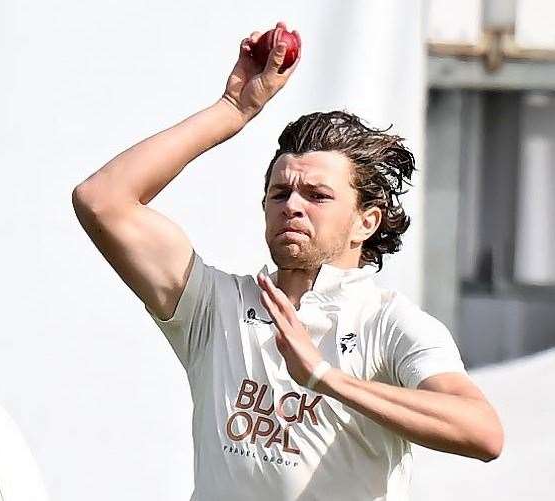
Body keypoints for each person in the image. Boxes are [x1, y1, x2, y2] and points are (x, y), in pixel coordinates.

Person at [72, 21, 503, 501]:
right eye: (280, 193)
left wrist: (324, 378)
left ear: (367, 221)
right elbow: (102, 200)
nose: (292, 206)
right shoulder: (214, 306)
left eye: (317, 195)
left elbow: (483, 433)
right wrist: (232, 110)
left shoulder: (391, 324)